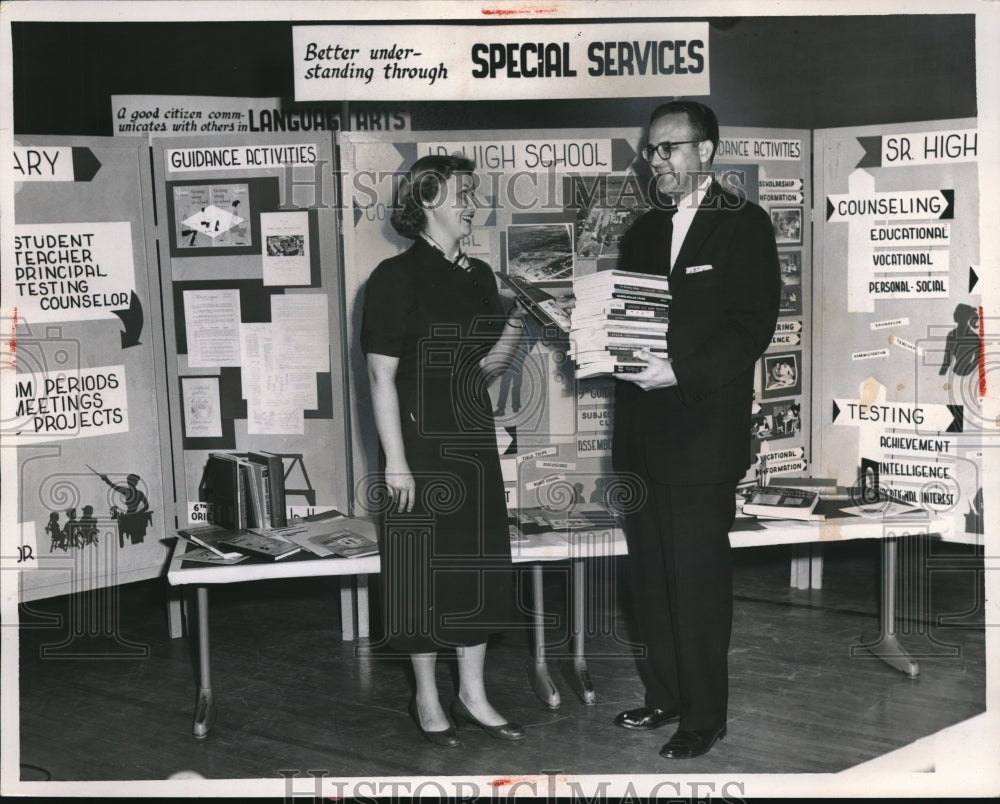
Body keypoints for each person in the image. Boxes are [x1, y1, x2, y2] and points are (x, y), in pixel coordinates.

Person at [611, 100, 780, 759]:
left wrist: (677, 372)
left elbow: (750, 328)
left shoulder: (744, 225)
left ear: (706, 151)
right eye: (651, 151)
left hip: (702, 437)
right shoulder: (643, 232)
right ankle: (665, 696)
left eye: (669, 149)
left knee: (697, 581)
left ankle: (705, 716)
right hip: (640, 435)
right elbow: (628, 320)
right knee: (648, 576)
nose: (657, 162)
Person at [360, 154, 529, 748]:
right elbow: (380, 378)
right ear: (428, 199)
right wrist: (395, 461)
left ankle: (473, 693)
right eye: (463, 194)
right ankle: (427, 696)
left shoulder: (479, 276)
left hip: (471, 439)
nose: (473, 204)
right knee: (420, 573)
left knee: (477, 566)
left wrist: (525, 322)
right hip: (418, 444)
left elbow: (487, 369)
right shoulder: (393, 278)